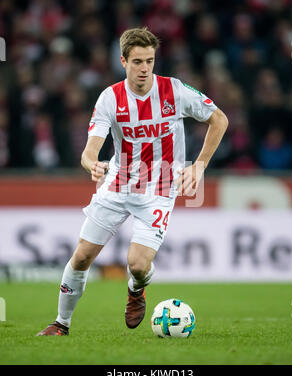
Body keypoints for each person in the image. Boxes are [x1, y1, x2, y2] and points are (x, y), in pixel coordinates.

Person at [37, 27, 228, 336]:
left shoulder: (175, 91)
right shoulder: (110, 98)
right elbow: (89, 150)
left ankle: (136, 289)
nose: (144, 68)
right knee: (83, 254)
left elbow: (219, 119)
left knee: (137, 265)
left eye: (150, 61)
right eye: (137, 61)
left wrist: (200, 165)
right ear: (123, 61)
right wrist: (92, 164)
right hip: (117, 184)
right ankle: (61, 324)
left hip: (160, 189)